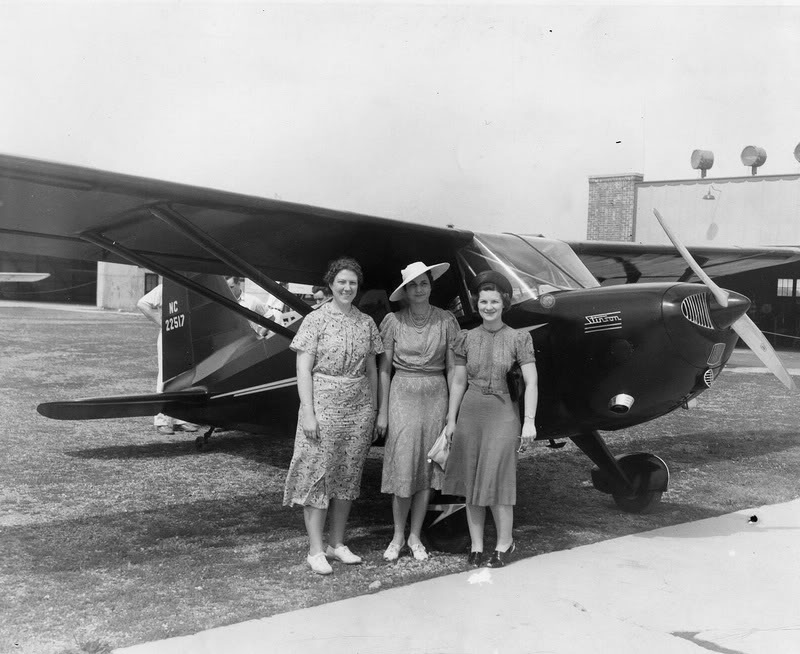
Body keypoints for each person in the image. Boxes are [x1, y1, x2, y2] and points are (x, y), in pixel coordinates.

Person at [283, 257, 384, 575]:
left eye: (352, 282)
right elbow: (303, 368)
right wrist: (308, 413)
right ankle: (315, 549)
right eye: (341, 281)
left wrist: (375, 410)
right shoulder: (315, 319)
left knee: (347, 476)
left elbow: (371, 369)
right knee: (318, 475)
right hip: (322, 406)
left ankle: (337, 543)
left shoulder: (366, 322)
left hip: (358, 408)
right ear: (330, 284)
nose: (347, 287)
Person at [442, 271, 538, 568]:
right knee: (472, 482)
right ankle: (476, 545)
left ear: (504, 303)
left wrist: (529, 421)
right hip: (471, 413)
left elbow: (531, 383)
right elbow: (458, 382)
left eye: (494, 301)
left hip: (503, 414)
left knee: (498, 480)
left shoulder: (519, 338)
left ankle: (505, 544)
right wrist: (451, 419)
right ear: (477, 304)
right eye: (483, 301)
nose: (488, 307)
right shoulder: (465, 338)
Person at [375, 261, 459, 562]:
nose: (419, 289)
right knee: (403, 465)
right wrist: (383, 412)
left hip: (436, 393)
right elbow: (384, 369)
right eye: (413, 285)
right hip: (402, 394)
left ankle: (415, 535)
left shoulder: (446, 321)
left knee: (427, 467)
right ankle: (398, 535)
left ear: (430, 286)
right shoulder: (392, 322)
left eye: (424, 283)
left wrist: (452, 415)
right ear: (406, 291)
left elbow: (453, 369)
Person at [136, 282, 198, 436]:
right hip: (170, 338)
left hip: (189, 337)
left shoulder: (194, 287)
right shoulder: (167, 286)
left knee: (186, 377)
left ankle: (181, 419)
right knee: (166, 376)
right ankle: (162, 420)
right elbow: (143, 303)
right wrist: (162, 323)